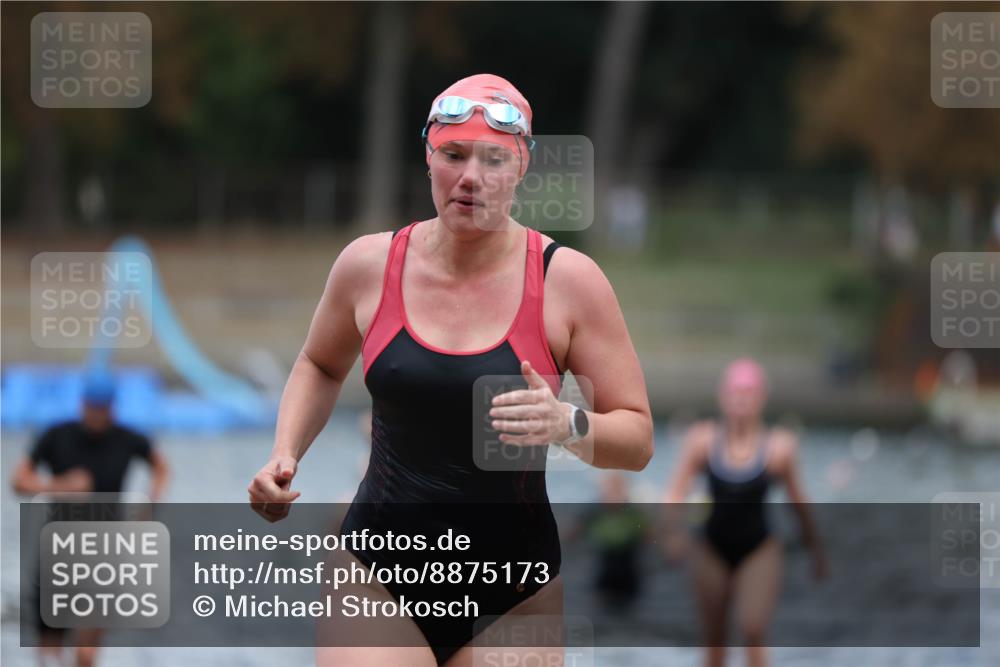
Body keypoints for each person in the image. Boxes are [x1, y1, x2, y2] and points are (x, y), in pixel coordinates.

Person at [247, 73, 653, 666]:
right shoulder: (368, 265)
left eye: (493, 160)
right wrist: (284, 451)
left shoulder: (570, 283)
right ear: (428, 158)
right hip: (379, 571)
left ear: (521, 169)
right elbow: (319, 362)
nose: (470, 177)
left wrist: (567, 423)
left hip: (514, 590)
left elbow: (638, 438)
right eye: (454, 154)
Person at [661, 358, 826, 667]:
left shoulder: (779, 448)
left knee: (752, 628)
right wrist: (672, 533)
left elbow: (799, 503)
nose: (741, 400)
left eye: (748, 393)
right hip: (711, 547)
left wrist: (816, 550)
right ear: (722, 397)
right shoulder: (703, 440)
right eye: (735, 393)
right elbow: (676, 491)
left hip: (759, 548)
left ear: (762, 398)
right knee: (714, 639)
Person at [11, 369, 170, 667]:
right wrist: (59, 486)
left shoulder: (128, 439)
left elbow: (162, 468)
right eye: (92, 407)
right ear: (82, 404)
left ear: (112, 407)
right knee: (49, 650)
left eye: (103, 408)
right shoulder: (57, 435)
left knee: (86, 652)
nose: (97, 415)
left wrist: (150, 504)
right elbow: (18, 480)